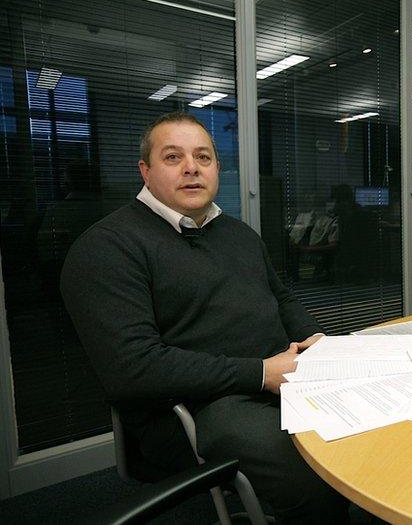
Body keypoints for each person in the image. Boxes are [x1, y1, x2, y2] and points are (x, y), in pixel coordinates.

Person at [60, 112, 349, 523]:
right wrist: (260, 373)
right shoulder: (107, 248)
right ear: (145, 170)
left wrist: (316, 340)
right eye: (173, 157)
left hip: (277, 375)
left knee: (374, 429)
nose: (191, 167)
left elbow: (281, 298)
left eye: (203, 157)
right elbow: (133, 370)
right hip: (197, 408)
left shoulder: (238, 233)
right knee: (313, 474)